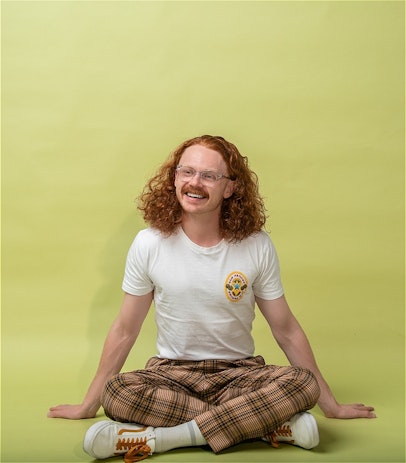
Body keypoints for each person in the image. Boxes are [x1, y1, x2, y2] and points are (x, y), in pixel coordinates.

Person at [48, 135, 375, 462]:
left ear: (230, 188)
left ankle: (164, 440)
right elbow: (125, 330)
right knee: (116, 393)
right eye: (186, 172)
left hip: (240, 375)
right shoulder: (148, 243)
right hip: (172, 375)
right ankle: (265, 426)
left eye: (209, 176)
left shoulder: (256, 245)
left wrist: (330, 405)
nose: (195, 183)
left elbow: (286, 329)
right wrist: (90, 404)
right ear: (174, 178)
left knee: (303, 384)